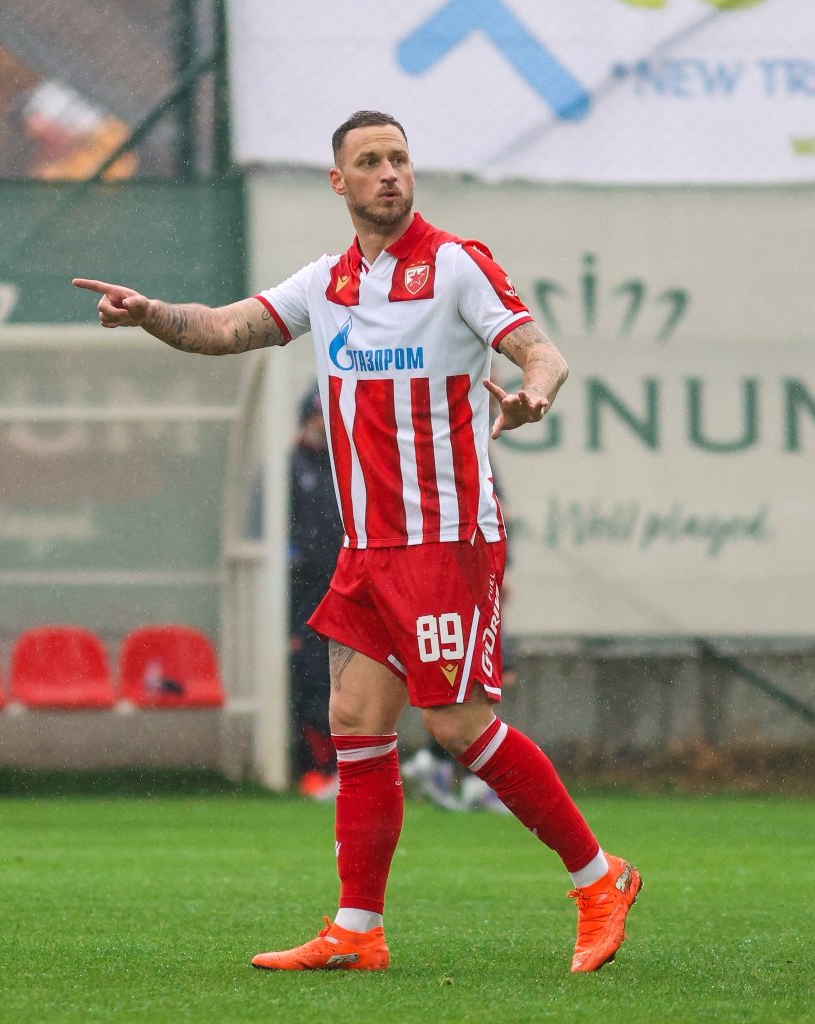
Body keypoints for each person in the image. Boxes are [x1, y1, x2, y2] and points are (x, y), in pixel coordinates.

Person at [72, 109, 642, 975]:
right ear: (338, 183)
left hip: (445, 539)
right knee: (355, 721)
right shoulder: (327, 282)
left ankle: (600, 880)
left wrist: (533, 393)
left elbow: (542, 354)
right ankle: (356, 929)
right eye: (370, 161)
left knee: (457, 725)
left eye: (399, 158)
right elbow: (224, 328)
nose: (388, 173)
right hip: (368, 547)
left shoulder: (455, 264)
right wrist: (150, 313)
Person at [288, 385, 343, 796]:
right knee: (310, 679)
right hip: (305, 591)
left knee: (346, 682)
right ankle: (314, 769)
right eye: (316, 417)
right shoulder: (291, 467)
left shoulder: (347, 465)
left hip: (345, 586)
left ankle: (344, 770)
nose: (322, 426)